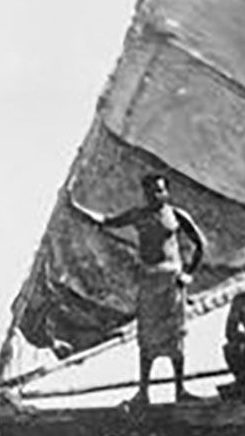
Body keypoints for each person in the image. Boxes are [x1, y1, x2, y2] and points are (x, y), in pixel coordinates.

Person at [75, 171, 207, 405]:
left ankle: (180, 390)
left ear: (166, 192)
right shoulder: (138, 215)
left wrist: (188, 274)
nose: (154, 195)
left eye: (159, 190)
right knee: (146, 338)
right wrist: (75, 207)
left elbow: (200, 244)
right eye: (150, 191)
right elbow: (107, 222)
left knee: (175, 337)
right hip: (148, 281)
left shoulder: (176, 215)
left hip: (171, 282)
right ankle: (143, 393)